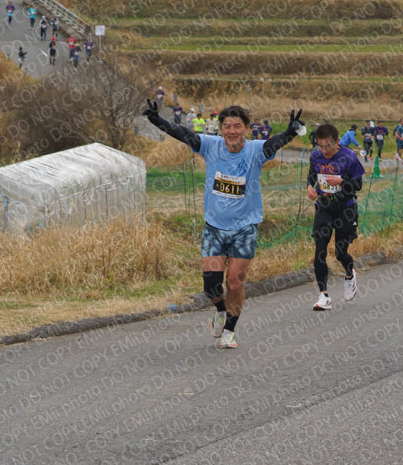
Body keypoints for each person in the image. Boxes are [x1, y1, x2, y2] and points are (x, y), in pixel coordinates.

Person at [142, 101, 304, 349]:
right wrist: (157, 121)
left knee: (235, 283)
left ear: (247, 128)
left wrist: (291, 132)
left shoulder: (255, 150)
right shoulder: (211, 146)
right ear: (221, 129)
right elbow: (183, 134)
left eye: (237, 126)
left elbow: (274, 143)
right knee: (211, 286)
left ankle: (230, 330)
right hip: (215, 228)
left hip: (245, 228)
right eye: (227, 126)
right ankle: (220, 309)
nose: (232, 131)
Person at [306, 124, 364, 310]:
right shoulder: (316, 156)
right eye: (321, 146)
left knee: (340, 253)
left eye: (328, 146)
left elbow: (358, 185)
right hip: (324, 207)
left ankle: (349, 274)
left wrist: (341, 181)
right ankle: (323, 295)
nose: (325, 151)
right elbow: (312, 176)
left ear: (337, 141)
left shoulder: (349, 156)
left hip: (345, 209)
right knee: (320, 249)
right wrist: (310, 187)